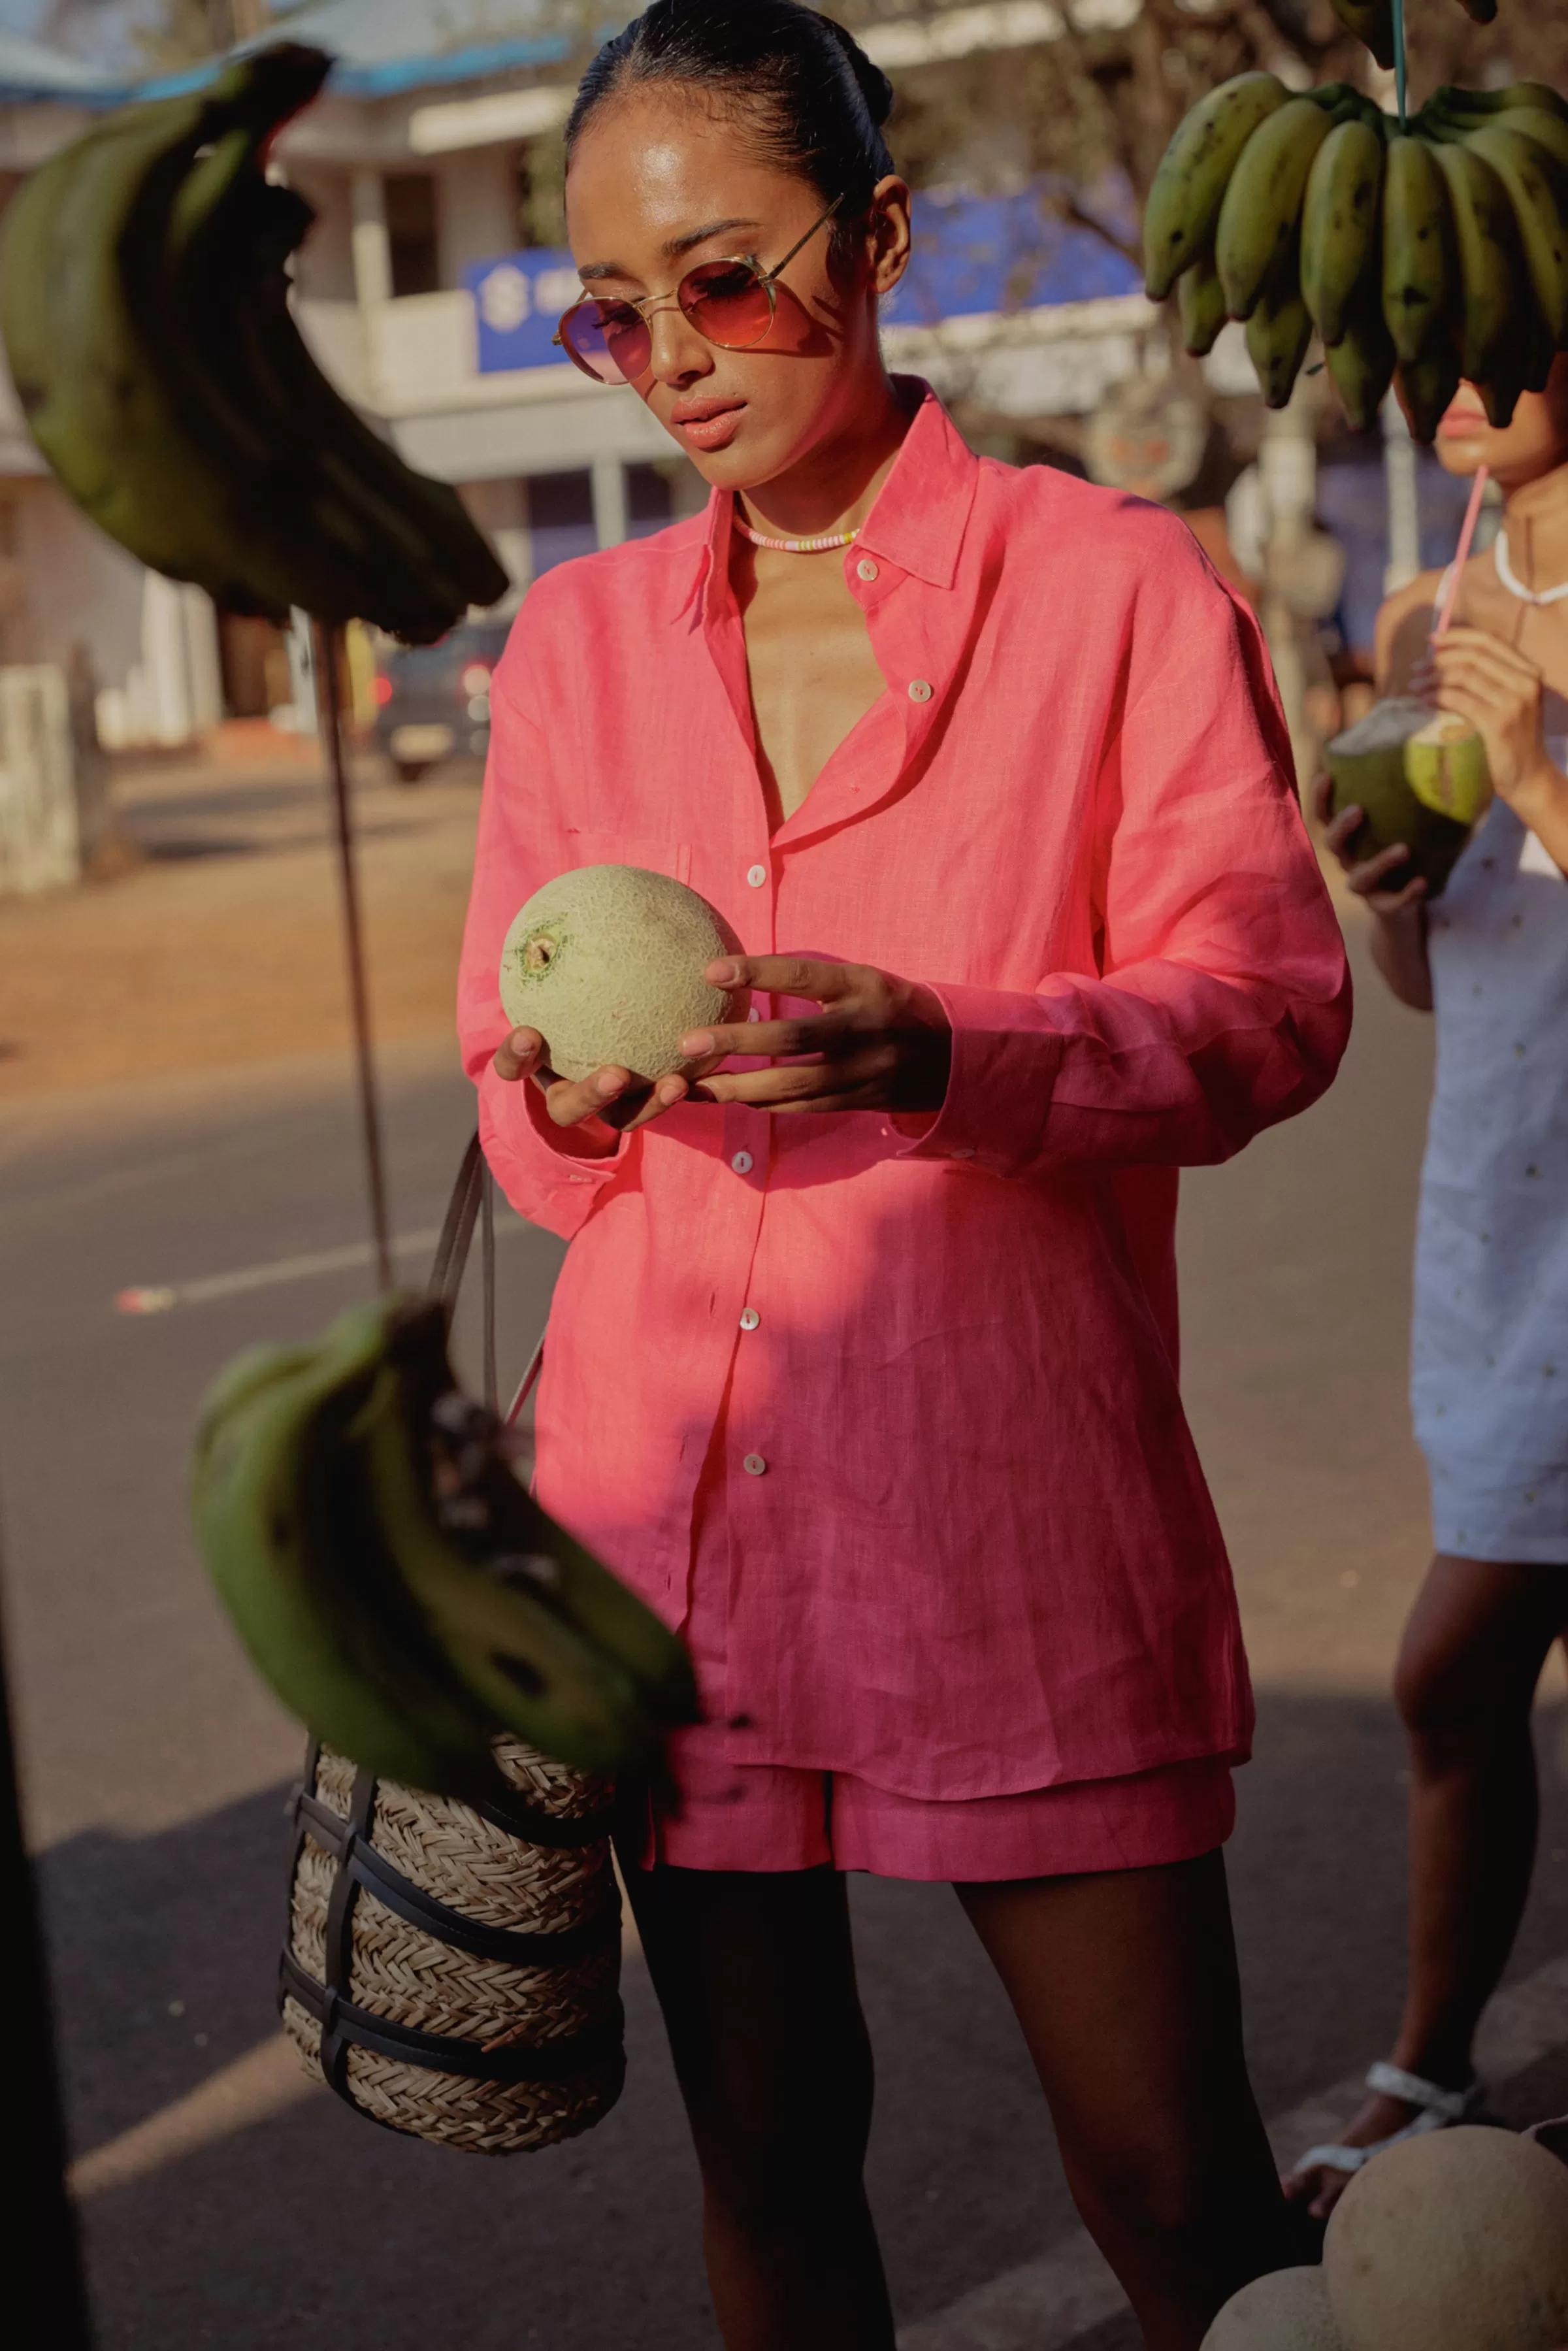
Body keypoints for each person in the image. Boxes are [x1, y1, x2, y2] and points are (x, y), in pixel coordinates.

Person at [457, 7, 1350, 2343]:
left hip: (1010, 1531)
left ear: (878, 239)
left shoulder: (1119, 596)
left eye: (727, 278)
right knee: (772, 2169)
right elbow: (514, 1107)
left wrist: (952, 1040)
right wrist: (567, 1089)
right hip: (672, 1546)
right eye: (612, 312)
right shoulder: (568, 650)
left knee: (1178, 2192)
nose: (673, 357)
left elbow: (1269, 1009)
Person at [1286, 376, 1568, 2220]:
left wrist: (1544, 771)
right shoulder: (1420, 609)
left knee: (1448, 1665)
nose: (1451, 386)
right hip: (1504, 1219)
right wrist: (1387, 887)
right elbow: (1434, 972)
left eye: (1500, 340)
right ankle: (1445, 2058)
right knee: (1471, 1680)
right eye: (1422, 347)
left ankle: (1434, 2056)